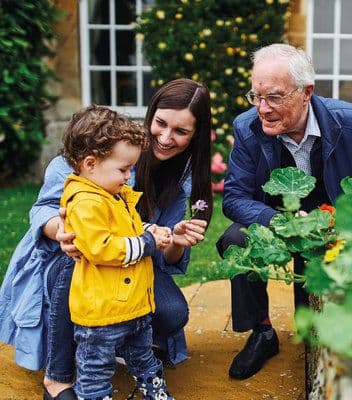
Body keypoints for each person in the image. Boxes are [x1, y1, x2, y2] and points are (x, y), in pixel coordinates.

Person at [0, 78, 213, 400]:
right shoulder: (99, 151)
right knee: (74, 264)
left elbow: (161, 257)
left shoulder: (178, 177)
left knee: (171, 312)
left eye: (181, 132)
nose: (166, 138)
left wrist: (173, 241)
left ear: (196, 135)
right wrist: (63, 232)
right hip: (72, 260)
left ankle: (122, 342)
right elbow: (42, 209)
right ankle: (59, 375)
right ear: (150, 115)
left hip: (128, 260)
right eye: (160, 124)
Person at [216, 43, 352, 380]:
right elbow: (234, 197)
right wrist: (283, 222)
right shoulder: (248, 127)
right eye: (256, 96)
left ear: (306, 92)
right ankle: (262, 333)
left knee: (313, 327)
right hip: (277, 221)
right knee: (235, 238)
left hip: (336, 228)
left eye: (274, 97)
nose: (263, 108)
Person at [60, 105, 175, 400]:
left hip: (133, 308)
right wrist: (148, 243)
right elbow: (103, 248)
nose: (129, 176)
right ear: (90, 164)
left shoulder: (113, 194)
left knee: (145, 360)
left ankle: (156, 393)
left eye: (131, 168)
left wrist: (152, 230)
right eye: (123, 169)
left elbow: (127, 229)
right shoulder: (86, 202)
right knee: (96, 371)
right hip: (100, 317)